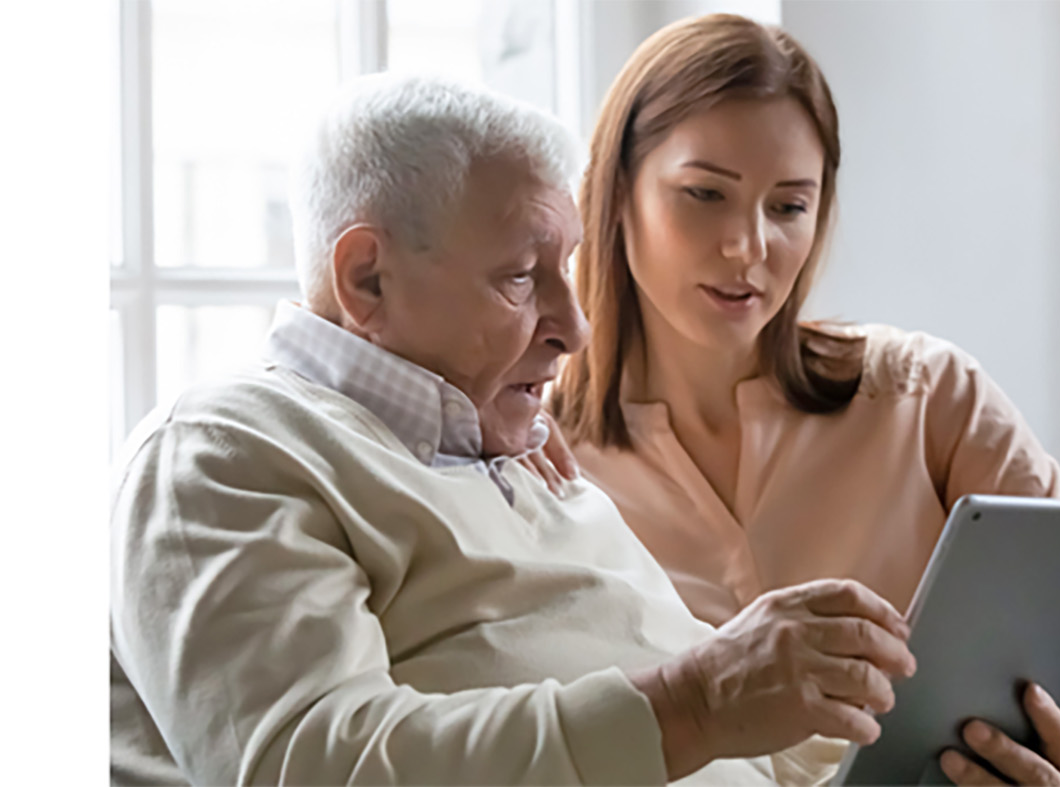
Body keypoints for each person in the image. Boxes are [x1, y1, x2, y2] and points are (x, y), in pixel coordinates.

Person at [109, 73, 936, 786]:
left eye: (565, 271)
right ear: (367, 279)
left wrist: (938, 755)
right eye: (518, 276)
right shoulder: (224, 450)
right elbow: (317, 763)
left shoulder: (516, 452)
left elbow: (735, 749)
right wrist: (698, 701)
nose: (574, 327)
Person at [544, 14, 1060, 785]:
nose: (748, 247)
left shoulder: (925, 395)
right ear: (614, 196)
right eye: (704, 194)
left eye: (788, 206)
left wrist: (979, 727)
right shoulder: (539, 456)